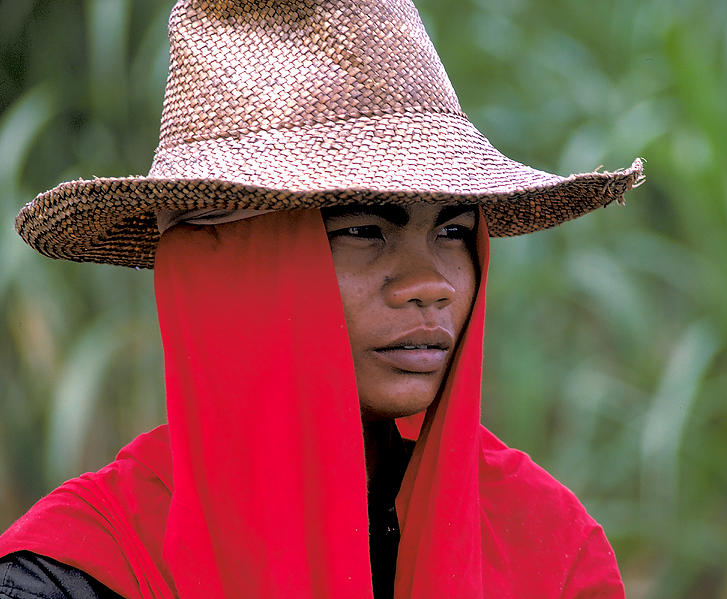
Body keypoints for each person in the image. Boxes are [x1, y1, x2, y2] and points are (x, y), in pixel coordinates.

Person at [0, 0, 643, 597]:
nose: (433, 284)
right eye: (363, 230)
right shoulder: (81, 568)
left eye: (452, 230)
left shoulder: (545, 547)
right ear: (224, 274)